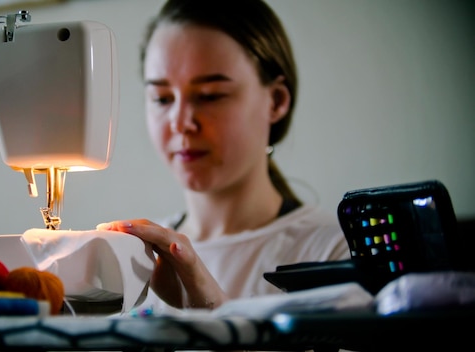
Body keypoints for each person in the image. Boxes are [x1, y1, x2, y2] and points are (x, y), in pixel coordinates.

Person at [97, 0, 350, 311]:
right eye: (162, 98)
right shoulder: (137, 257)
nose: (180, 123)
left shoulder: (336, 253)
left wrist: (215, 314)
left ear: (276, 101)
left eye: (210, 96)